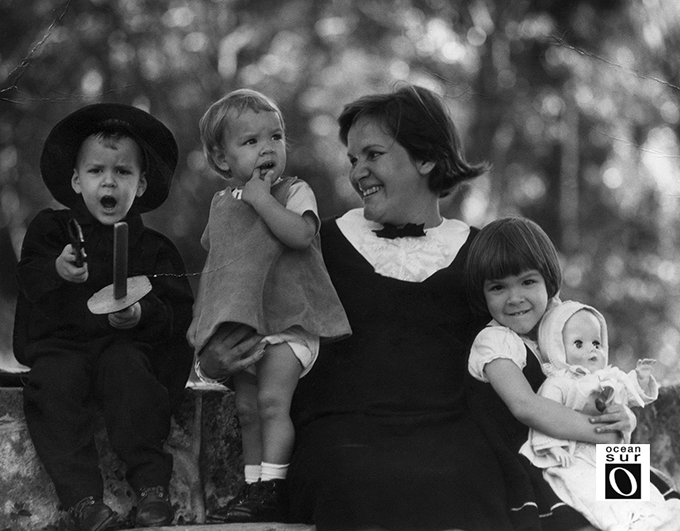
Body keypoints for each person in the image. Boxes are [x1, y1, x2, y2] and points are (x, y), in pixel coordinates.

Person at [198, 83, 513, 531]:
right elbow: (243, 307)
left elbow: (542, 335)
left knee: (473, 482)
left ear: (426, 159)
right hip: (341, 442)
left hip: (451, 439)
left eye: (373, 154)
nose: (358, 171)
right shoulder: (312, 242)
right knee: (357, 481)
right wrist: (212, 361)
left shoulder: (484, 253)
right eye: (353, 159)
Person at [13, 104, 194, 531]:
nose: (109, 181)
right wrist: (57, 270)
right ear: (77, 181)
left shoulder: (155, 248)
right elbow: (30, 278)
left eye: (123, 172)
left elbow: (176, 311)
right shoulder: (53, 232)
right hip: (63, 348)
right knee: (54, 385)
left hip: (123, 348)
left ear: (142, 183)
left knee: (130, 372)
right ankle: (84, 501)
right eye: (96, 171)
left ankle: (152, 487)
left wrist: (140, 313)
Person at [189, 89, 351, 523]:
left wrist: (262, 199)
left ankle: (274, 486)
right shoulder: (222, 203)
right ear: (223, 161)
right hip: (247, 324)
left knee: (272, 403)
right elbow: (219, 257)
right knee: (246, 409)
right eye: (250, 141)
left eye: (275, 137)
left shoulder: (293, 190)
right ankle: (253, 487)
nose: (267, 148)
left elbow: (300, 235)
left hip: (290, 321)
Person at [465, 216, 680, 530]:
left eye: (527, 282)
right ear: (482, 294)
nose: (515, 298)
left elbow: (596, 384)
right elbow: (526, 406)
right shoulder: (495, 341)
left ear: (548, 282)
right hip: (542, 459)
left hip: (594, 453)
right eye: (498, 287)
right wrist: (603, 433)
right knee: (591, 520)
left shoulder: (565, 327)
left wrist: (619, 419)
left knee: (656, 512)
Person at [519, 300, 680, 530]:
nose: (592, 349)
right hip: (576, 452)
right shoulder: (560, 383)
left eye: (596, 342)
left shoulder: (610, 376)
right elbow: (545, 415)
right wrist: (552, 447)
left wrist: (642, 379)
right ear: (557, 349)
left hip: (614, 451)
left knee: (645, 500)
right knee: (595, 498)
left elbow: (634, 395)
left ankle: (655, 520)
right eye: (579, 343)